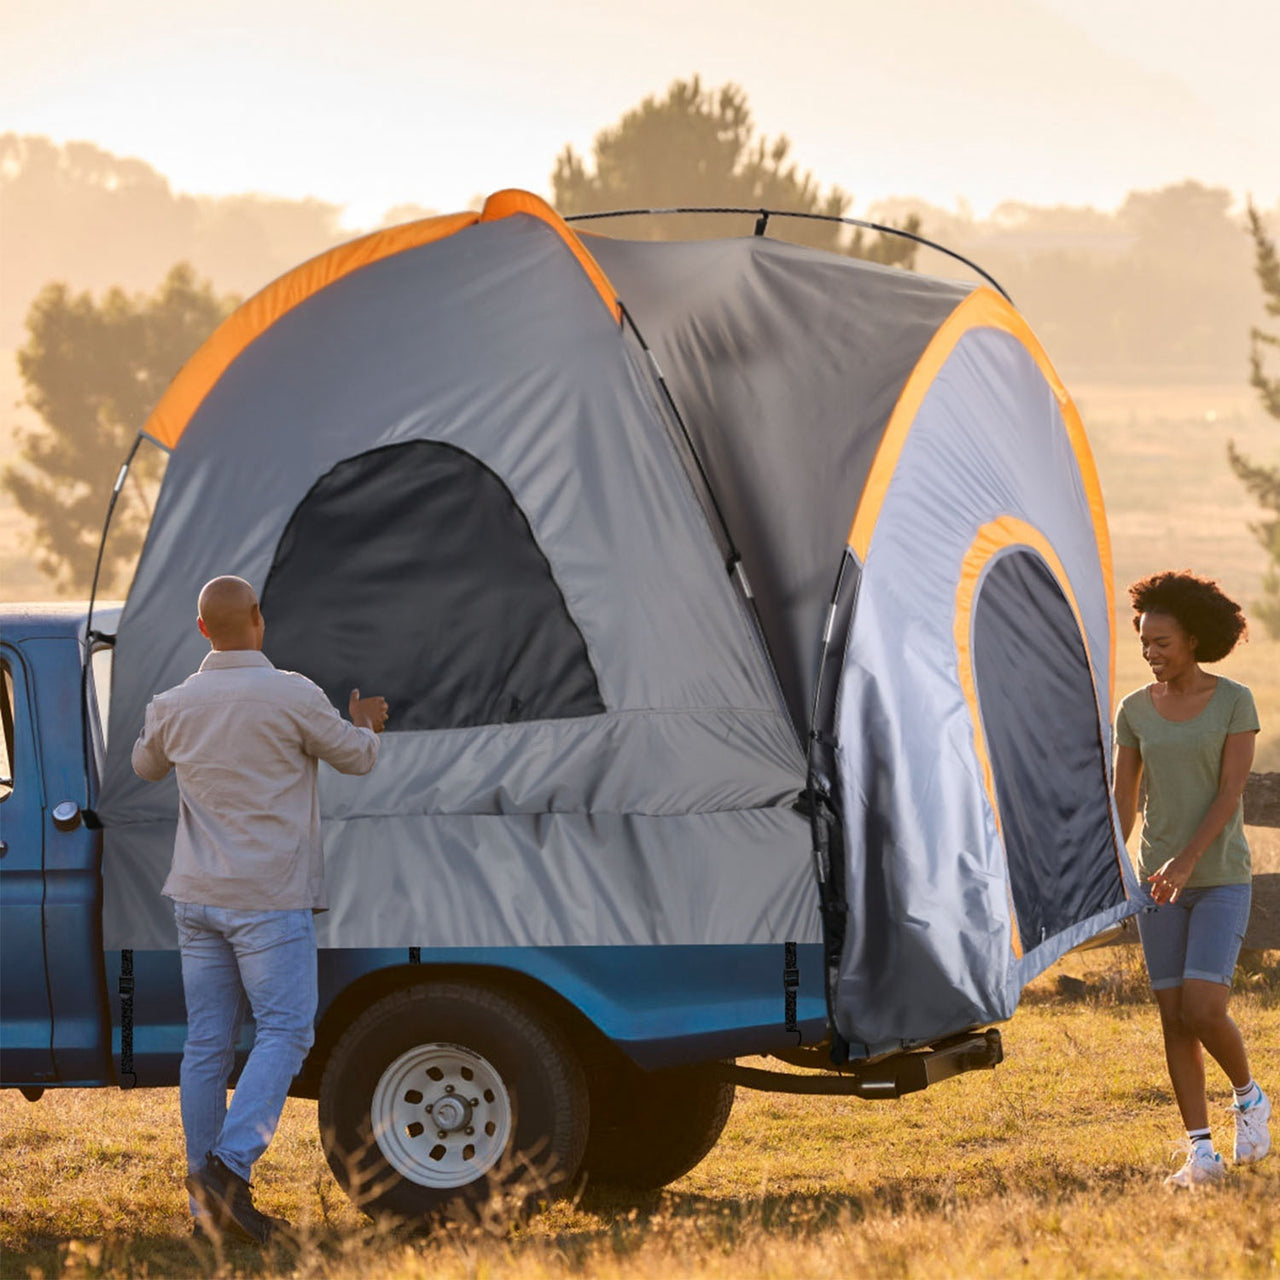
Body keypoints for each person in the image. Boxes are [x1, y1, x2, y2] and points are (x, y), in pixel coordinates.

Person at [132, 575, 389, 1242]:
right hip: (268, 898)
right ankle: (226, 1168)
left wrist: (168, 726)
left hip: (196, 897)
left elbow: (144, 766)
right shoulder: (293, 694)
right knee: (286, 1030)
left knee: (207, 1045)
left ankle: (205, 1213)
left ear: (201, 630)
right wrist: (366, 724)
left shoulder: (174, 704)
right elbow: (356, 760)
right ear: (257, 618)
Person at [1113, 570, 1270, 1189]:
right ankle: (1201, 1154)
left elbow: (1231, 791)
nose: (1152, 653)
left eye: (1163, 643)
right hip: (1156, 888)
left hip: (1219, 879)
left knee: (1205, 1009)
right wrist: (1119, 866)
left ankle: (1250, 1098)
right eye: (1145, 643)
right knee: (1174, 1018)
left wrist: (1185, 863)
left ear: (1194, 639)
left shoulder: (1235, 701)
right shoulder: (1133, 711)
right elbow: (1124, 799)